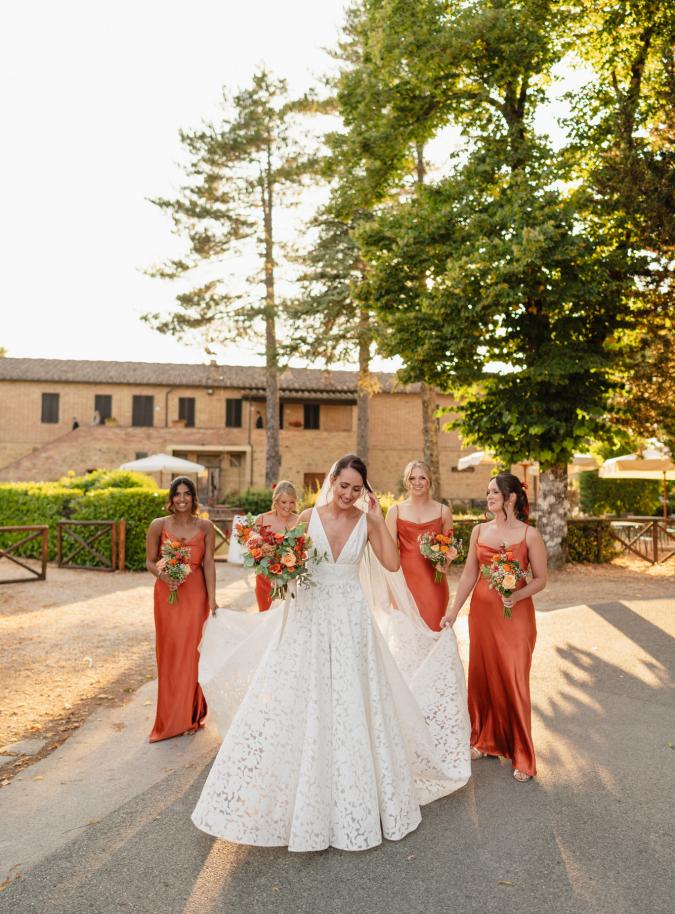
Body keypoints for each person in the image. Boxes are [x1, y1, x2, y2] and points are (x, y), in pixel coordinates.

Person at [192, 454, 470, 852]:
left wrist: (375, 518)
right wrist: (275, 565)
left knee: (351, 701)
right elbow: (286, 561)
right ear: (332, 480)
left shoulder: (366, 520)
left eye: (357, 489)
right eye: (344, 486)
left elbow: (392, 562)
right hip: (309, 613)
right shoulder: (308, 516)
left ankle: (354, 792)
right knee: (305, 695)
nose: (348, 495)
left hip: (351, 619)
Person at [441, 473, 547, 782]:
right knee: (483, 676)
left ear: (510, 498)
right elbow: (468, 576)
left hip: (517, 617)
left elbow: (541, 578)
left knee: (513, 678)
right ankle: (484, 740)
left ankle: (523, 755)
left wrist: (517, 594)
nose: (488, 497)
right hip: (482, 616)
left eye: (494, 493)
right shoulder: (478, 531)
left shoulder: (529, 535)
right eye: (487, 492)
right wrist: (453, 612)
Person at [146, 476, 216, 742]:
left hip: (196, 597)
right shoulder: (158, 526)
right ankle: (169, 720)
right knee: (170, 653)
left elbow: (208, 563)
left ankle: (190, 716)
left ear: (194, 497)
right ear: (171, 498)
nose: (182, 499)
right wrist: (164, 577)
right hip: (168, 595)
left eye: (187, 494)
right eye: (177, 494)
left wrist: (212, 599)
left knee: (192, 655)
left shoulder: (206, 526)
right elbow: (150, 562)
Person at [385, 459, 454, 631]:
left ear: (429, 481)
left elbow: (448, 548)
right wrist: (390, 588)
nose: (417, 482)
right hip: (404, 584)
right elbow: (389, 554)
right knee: (407, 635)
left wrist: (445, 563)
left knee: (434, 629)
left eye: (422, 478)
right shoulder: (395, 512)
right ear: (406, 482)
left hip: (434, 584)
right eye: (412, 478)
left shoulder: (443, 511)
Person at [253, 481, 299, 612]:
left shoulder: (299, 521)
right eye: (284, 502)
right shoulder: (262, 519)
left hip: (289, 578)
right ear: (276, 500)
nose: (288, 506)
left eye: (292, 502)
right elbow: (251, 548)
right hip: (265, 578)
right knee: (265, 614)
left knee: (287, 616)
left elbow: (304, 549)